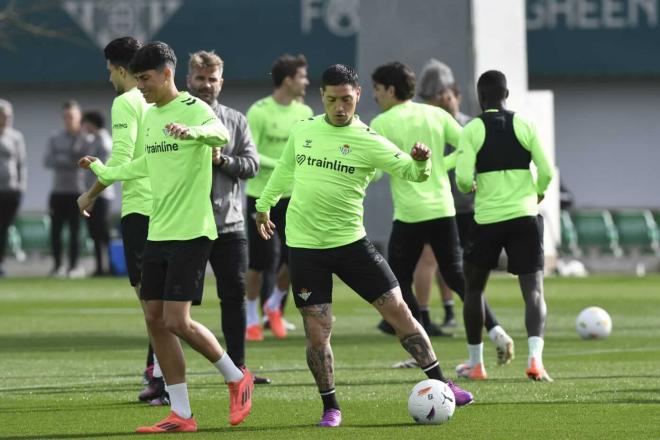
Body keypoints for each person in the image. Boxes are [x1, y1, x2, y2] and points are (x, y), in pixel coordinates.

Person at [254, 64, 473, 428]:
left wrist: (422, 161)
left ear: (357, 96)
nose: (339, 107)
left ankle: (440, 382)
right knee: (317, 331)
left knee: (400, 311)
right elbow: (285, 171)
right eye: (331, 99)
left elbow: (411, 172)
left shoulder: (369, 140)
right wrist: (263, 204)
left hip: (351, 244)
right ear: (322, 97)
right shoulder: (304, 131)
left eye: (346, 99)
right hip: (306, 248)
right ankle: (331, 407)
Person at [80, 41, 254, 433]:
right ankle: (182, 414)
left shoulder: (194, 108)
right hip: (159, 229)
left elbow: (218, 135)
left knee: (177, 320)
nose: (140, 86)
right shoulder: (154, 115)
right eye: (137, 78)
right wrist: (106, 174)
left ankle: (234, 376)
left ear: (167, 74)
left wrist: (193, 132)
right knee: (156, 319)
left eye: (145, 79)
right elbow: (147, 162)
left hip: (192, 231)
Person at [370, 62, 513, 375]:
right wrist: (440, 165)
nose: (375, 96)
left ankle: (420, 349)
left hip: (409, 215)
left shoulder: (381, 123)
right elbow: (469, 144)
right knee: (459, 278)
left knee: (395, 282)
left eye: (377, 90)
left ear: (391, 90)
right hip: (443, 210)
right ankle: (497, 331)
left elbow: (377, 171)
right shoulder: (435, 114)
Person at [76, 37, 164, 405]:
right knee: (162, 303)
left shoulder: (126, 102)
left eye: (110, 69)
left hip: (141, 209)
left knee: (152, 306)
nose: (109, 76)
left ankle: (167, 380)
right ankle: (159, 376)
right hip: (169, 207)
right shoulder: (160, 100)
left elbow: (121, 160)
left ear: (122, 69)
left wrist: (91, 191)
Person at [455, 70, 554, 382]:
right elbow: (547, 170)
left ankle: (476, 364)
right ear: (506, 94)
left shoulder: (472, 128)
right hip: (524, 217)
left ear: (479, 97)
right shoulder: (524, 124)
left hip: (487, 220)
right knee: (533, 291)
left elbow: (461, 178)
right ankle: (535, 361)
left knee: (473, 289)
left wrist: (470, 184)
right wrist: (537, 190)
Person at [186, 50, 270, 385]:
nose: (206, 85)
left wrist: (223, 161)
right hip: (186, 224)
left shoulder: (235, 120)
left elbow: (252, 164)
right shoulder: (171, 117)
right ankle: (158, 375)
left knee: (234, 297)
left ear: (221, 82)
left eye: (212, 79)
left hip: (229, 224)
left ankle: (238, 371)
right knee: (171, 305)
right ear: (187, 80)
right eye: (200, 79)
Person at [244, 54, 313, 341]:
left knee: (296, 258)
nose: (306, 82)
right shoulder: (259, 112)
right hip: (261, 197)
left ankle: (273, 306)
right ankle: (250, 319)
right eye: (302, 76)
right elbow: (251, 152)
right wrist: (284, 165)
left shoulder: (305, 111)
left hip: (294, 197)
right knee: (259, 262)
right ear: (288, 80)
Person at [414, 59, 473, 330]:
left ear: (456, 95)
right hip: (437, 202)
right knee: (431, 258)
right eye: (435, 96)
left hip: (468, 205)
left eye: (445, 95)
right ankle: (423, 315)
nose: (441, 101)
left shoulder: (468, 126)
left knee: (456, 262)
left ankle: (454, 310)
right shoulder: (429, 125)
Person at [44, 101, 86, 278]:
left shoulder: (85, 137)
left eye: (72, 116)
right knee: (56, 232)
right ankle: (57, 266)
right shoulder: (55, 137)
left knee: (75, 232)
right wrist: (68, 159)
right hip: (58, 191)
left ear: (79, 117)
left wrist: (64, 158)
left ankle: (74, 266)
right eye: (66, 117)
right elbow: (47, 161)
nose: (68, 120)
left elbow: (86, 161)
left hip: (77, 191)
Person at [80, 111, 114, 276]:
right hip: (95, 194)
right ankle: (101, 267)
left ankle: (107, 268)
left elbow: (102, 172)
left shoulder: (103, 142)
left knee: (101, 233)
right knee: (96, 233)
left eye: (85, 123)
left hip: (100, 194)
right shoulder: (95, 140)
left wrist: (92, 196)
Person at [0, 99, 26, 277]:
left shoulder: (15, 137)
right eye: (3, 115)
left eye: (9, 115)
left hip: (10, 190)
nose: (7, 118)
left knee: (3, 228)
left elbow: (21, 164)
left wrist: (21, 187)